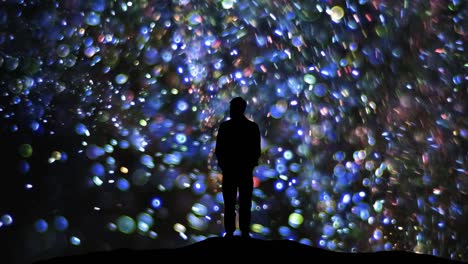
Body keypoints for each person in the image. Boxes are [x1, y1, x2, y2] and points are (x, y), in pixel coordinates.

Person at [215, 97, 261, 238]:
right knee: (244, 203)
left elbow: (219, 150)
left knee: (229, 203)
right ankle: (244, 232)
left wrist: (225, 166)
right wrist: (249, 165)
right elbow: (256, 151)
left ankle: (230, 232)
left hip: (230, 171)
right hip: (244, 171)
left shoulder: (225, 127)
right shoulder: (252, 127)